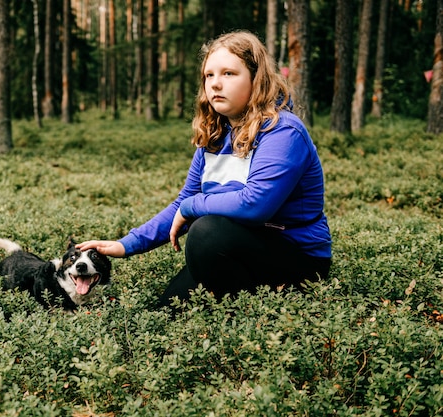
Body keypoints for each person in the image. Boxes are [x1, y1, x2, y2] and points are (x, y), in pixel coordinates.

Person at [78, 30, 332, 308]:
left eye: (228, 74)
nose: (215, 84)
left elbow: (255, 205)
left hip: (298, 261)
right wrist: (126, 244)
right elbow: (183, 200)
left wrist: (192, 207)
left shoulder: (283, 131)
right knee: (165, 311)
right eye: (209, 75)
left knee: (205, 231)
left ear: (256, 79)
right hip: (239, 247)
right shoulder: (216, 134)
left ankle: (252, 319)